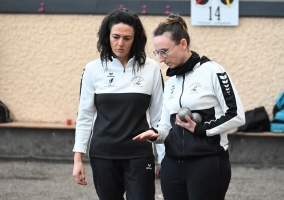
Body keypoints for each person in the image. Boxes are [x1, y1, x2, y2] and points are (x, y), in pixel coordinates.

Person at [133, 13, 245, 200]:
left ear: (183, 44)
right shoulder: (170, 84)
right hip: (172, 167)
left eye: (164, 51)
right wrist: (156, 134)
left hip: (207, 164)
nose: (160, 59)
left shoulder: (212, 71)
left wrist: (202, 129)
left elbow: (236, 115)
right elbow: (166, 127)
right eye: (157, 52)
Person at [72, 8, 164, 200]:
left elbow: (158, 116)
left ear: (135, 39)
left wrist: (162, 158)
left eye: (127, 38)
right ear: (107, 37)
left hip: (139, 154)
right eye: (115, 37)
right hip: (103, 155)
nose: (120, 43)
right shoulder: (92, 69)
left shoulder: (151, 69)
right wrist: (78, 157)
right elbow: (85, 115)